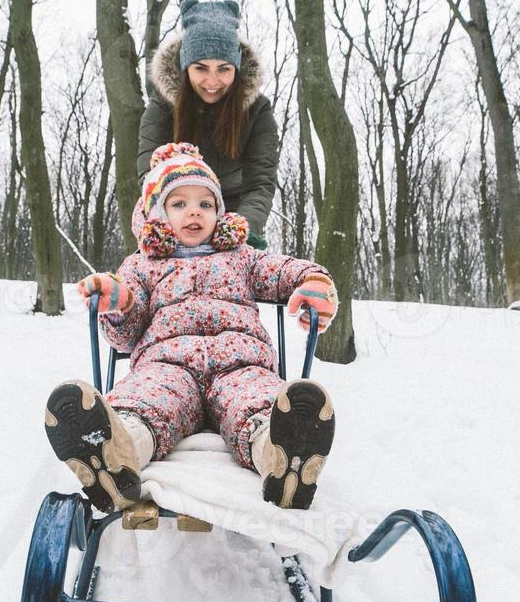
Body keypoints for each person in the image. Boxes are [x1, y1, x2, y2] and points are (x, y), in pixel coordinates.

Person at [45, 143, 338, 513]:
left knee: (255, 402)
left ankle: (283, 455)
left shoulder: (242, 256)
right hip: (167, 364)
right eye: (179, 204)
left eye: (206, 203)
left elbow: (283, 271)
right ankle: (114, 452)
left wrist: (312, 280)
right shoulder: (143, 264)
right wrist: (118, 303)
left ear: (219, 211)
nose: (194, 212)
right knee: (147, 402)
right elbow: (126, 335)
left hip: (241, 362)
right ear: (159, 214)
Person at [138, 0, 278, 250]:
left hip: (234, 212)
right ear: (185, 68)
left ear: (236, 68)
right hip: (176, 213)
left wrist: (237, 228)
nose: (212, 80)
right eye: (201, 68)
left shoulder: (258, 110)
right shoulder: (161, 108)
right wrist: (174, 226)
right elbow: (150, 176)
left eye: (223, 68)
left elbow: (260, 182)